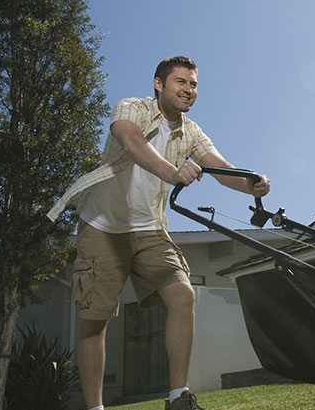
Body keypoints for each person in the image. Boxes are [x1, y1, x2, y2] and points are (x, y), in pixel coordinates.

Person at [47, 56, 270, 410]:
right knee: (95, 320)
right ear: (158, 84)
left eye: (193, 84)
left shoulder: (191, 131)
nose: (189, 90)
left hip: (149, 228)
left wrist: (251, 184)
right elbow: (129, 139)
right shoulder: (132, 108)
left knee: (183, 295)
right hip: (103, 227)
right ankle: (95, 407)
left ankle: (178, 398)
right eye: (181, 82)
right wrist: (171, 172)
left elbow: (219, 167)